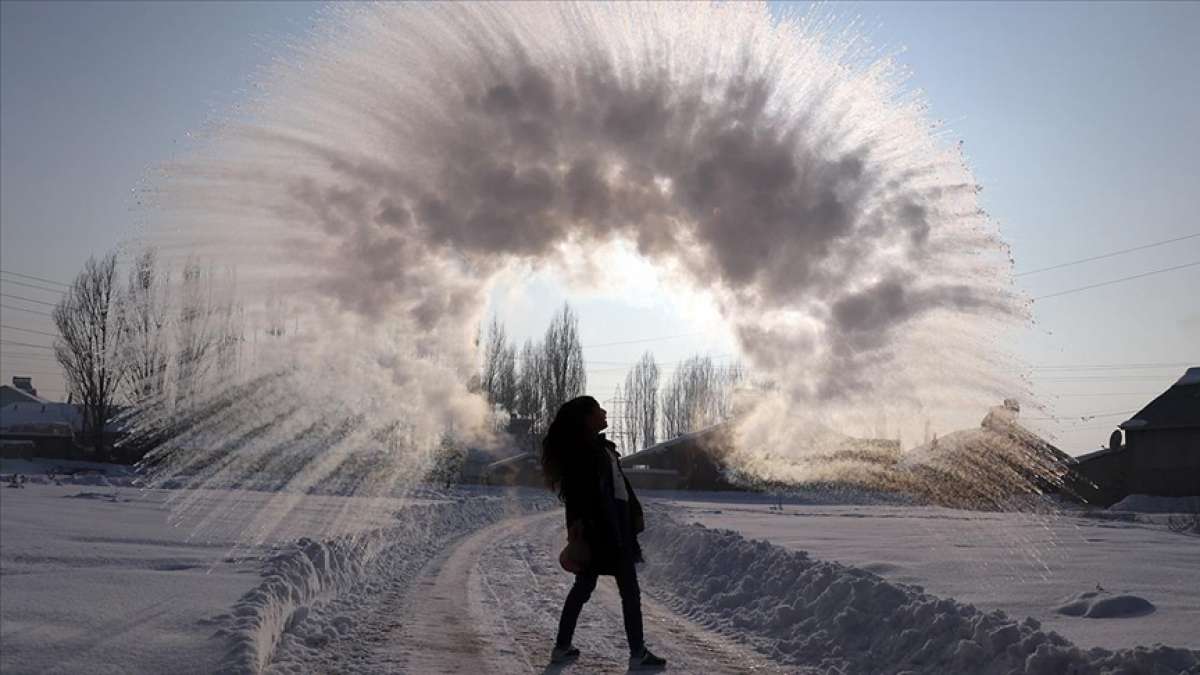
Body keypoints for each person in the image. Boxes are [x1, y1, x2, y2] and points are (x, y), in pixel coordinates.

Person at [540, 395, 667, 670]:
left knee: (585, 589)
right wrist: (580, 526)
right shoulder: (586, 451)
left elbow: (617, 489)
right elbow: (578, 494)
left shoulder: (599, 448)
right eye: (598, 410)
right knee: (627, 592)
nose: (604, 412)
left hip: (611, 527)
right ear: (587, 418)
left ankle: (563, 647)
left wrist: (630, 516)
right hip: (604, 530)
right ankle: (637, 653)